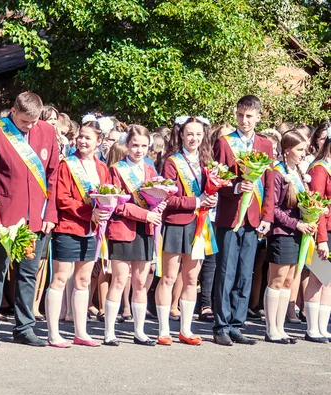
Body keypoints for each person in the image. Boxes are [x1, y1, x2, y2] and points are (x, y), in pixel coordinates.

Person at [0, 91, 59, 347]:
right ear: (14, 111)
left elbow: (54, 176)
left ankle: (25, 327)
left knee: (28, 274)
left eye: (34, 122)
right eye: (25, 122)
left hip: (37, 216)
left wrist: (51, 213)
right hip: (5, 217)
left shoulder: (47, 131)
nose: (30, 127)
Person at [212, 95, 275, 346]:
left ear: (258, 117)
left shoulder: (265, 144)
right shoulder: (225, 143)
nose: (244, 120)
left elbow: (269, 185)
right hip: (230, 216)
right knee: (226, 271)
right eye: (240, 115)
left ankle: (238, 324)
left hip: (253, 217)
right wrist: (237, 187)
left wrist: (267, 216)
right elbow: (218, 179)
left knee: (245, 273)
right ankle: (221, 325)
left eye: (249, 116)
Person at [45, 121, 109, 348]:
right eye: (80, 136)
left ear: (98, 142)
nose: (82, 141)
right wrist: (88, 213)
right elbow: (62, 198)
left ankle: (80, 331)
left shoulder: (102, 169)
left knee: (83, 280)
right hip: (68, 227)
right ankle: (53, 332)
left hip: (91, 231)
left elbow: (109, 196)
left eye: (88, 138)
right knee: (61, 278)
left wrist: (103, 213)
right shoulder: (67, 165)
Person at [156, 116, 216, 346]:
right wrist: (196, 201)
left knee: (191, 278)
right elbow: (167, 197)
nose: (194, 138)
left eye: (198, 134)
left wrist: (211, 199)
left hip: (199, 224)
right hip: (176, 223)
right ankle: (163, 330)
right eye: (190, 134)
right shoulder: (172, 162)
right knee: (169, 277)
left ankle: (186, 329)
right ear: (181, 134)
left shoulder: (207, 161)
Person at [103, 125, 164, 346]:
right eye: (135, 145)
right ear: (127, 145)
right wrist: (145, 214)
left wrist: (159, 205)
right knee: (119, 280)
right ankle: (109, 332)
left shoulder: (151, 170)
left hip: (145, 231)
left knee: (140, 283)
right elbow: (115, 204)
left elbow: (156, 197)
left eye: (144, 146)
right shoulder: (116, 170)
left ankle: (139, 331)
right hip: (123, 228)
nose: (139, 150)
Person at [263, 130, 309, 344]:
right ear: (288, 149)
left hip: (296, 232)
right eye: (300, 149)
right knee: (277, 279)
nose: (303, 153)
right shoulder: (277, 171)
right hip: (282, 233)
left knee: (289, 280)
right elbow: (273, 208)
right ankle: (271, 328)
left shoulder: (298, 172)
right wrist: (296, 223)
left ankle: (280, 328)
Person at [304, 128, 331, 343]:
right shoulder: (320, 169)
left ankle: (323, 326)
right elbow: (317, 205)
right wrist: (321, 238)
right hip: (325, 230)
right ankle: (312, 327)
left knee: (329, 281)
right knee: (318, 277)